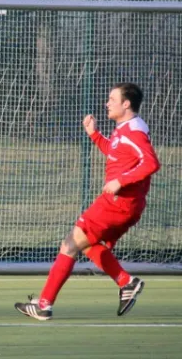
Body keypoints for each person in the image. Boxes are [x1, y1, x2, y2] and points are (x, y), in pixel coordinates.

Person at [15, 83, 160, 320]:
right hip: (125, 204)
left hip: (118, 202)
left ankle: (44, 305)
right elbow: (115, 153)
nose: (107, 103)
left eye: (112, 99)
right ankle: (126, 282)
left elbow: (151, 163)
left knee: (70, 244)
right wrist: (94, 134)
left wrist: (120, 182)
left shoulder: (133, 131)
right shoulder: (123, 129)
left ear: (126, 104)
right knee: (88, 244)